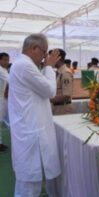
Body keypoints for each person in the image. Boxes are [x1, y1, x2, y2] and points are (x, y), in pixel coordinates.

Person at [8, 33, 62, 196]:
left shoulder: (24, 64)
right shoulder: (25, 65)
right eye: (44, 52)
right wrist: (49, 66)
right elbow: (50, 90)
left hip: (29, 129)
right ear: (34, 48)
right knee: (28, 187)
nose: (46, 57)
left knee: (30, 184)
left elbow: (43, 89)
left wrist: (46, 67)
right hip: (29, 132)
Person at [50, 49, 74, 115]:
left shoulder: (65, 73)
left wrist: (48, 99)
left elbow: (66, 95)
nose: (49, 60)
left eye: (51, 57)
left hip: (63, 109)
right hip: (57, 107)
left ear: (58, 58)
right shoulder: (58, 72)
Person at [0, 52, 9, 152]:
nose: (7, 62)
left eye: (8, 60)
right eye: (5, 59)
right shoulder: (1, 70)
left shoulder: (4, 70)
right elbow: (11, 80)